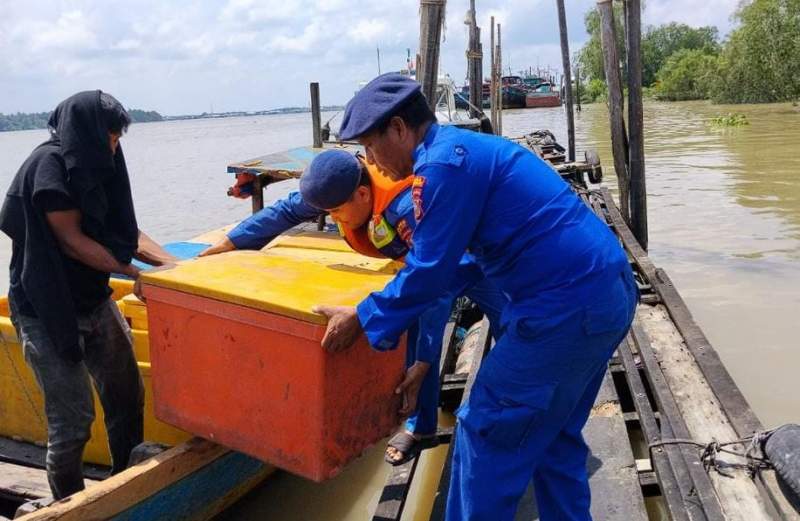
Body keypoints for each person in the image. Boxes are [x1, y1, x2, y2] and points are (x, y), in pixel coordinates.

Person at [313, 73, 638, 520]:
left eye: (370, 146)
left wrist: (364, 317)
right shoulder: (460, 152)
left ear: (399, 129)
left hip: (564, 309)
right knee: (554, 437)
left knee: (484, 431)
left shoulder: (442, 167)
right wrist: (413, 347)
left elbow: (429, 270)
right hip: (605, 293)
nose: (371, 162)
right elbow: (459, 267)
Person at [200, 149, 506, 465]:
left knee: (512, 334)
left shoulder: (406, 206)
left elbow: (435, 283)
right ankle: (421, 427)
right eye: (327, 213)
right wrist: (232, 241)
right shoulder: (338, 186)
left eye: (336, 212)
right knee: (413, 333)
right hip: (425, 267)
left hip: (475, 259)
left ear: (362, 194)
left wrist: (425, 362)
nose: (333, 219)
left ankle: (509, 420)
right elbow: (288, 210)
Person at [0, 90, 176, 499]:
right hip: (46, 309)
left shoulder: (101, 165)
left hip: (93, 299)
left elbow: (126, 232)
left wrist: (173, 267)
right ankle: (71, 504)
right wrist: (134, 272)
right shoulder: (48, 167)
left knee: (127, 396)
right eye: (109, 139)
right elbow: (72, 241)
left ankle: (124, 484)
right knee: (73, 421)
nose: (114, 148)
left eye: (117, 140)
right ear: (86, 134)